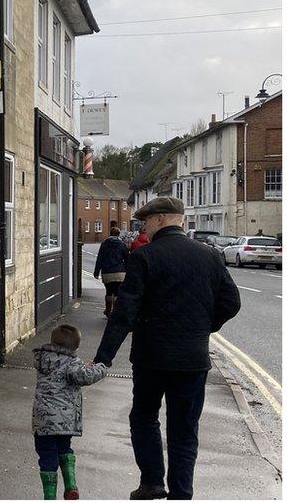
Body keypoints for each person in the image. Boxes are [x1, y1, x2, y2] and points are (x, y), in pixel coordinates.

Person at [93, 197, 241, 500]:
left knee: (145, 417)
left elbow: (125, 312)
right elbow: (232, 302)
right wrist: (204, 327)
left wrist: (103, 358)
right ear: (181, 221)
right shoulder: (210, 256)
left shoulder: (145, 257)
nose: (143, 227)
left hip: (151, 358)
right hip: (192, 359)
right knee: (184, 430)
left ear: (160, 219)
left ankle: (151, 483)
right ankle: (181, 494)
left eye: (146, 221)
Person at [33, 324, 108, 500]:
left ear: (52, 341)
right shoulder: (73, 363)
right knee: (64, 448)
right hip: (65, 421)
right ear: (76, 347)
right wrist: (101, 368)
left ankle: (50, 496)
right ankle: (71, 486)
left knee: (47, 455)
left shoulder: (42, 358)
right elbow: (85, 376)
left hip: (43, 421)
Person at [93, 227, 129, 317]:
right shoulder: (122, 244)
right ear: (118, 234)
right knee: (117, 292)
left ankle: (108, 311)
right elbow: (127, 259)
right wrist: (128, 271)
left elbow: (100, 259)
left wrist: (96, 272)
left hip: (107, 272)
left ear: (110, 233)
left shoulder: (104, 244)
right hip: (120, 273)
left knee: (109, 291)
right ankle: (116, 312)